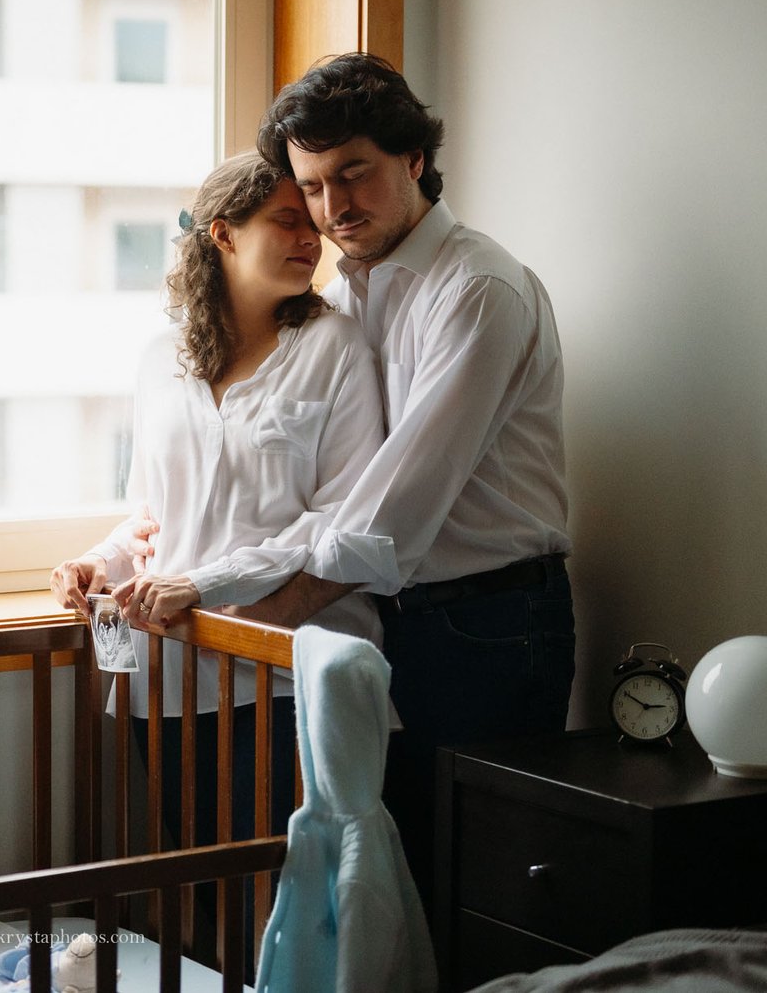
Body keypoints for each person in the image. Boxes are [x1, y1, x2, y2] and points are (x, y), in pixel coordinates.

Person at [246, 52, 575, 910]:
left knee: (465, 888)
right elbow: (318, 474)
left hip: (490, 625)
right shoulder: (349, 295)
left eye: (352, 174)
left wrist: (265, 619)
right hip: (385, 617)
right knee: (386, 886)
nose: (333, 208)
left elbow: (399, 503)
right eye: (312, 187)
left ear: (415, 158)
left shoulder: (477, 289)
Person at [49, 151, 387, 879]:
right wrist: (96, 563)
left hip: (288, 668)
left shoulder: (334, 348)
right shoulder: (158, 360)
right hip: (170, 670)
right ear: (224, 233)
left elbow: (339, 518)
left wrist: (207, 582)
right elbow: (150, 514)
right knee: (207, 882)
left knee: (291, 888)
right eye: (287, 221)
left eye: (313, 226)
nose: (311, 239)